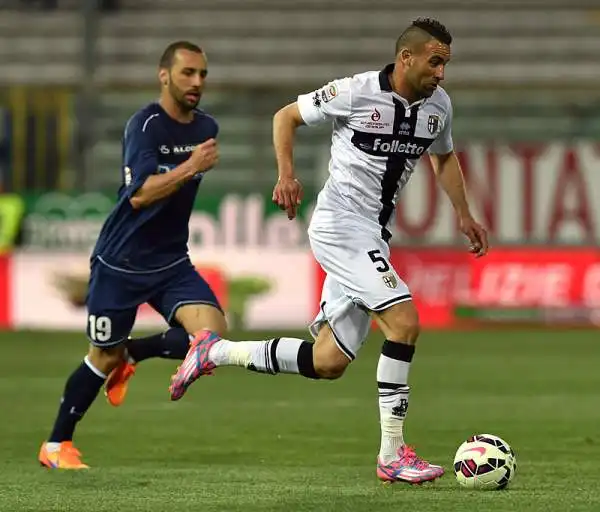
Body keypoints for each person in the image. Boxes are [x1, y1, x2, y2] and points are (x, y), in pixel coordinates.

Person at [169, 18, 489, 484]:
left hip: (374, 234)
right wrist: (286, 174)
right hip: (341, 226)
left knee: (328, 362)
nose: (441, 73)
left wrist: (463, 213)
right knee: (404, 322)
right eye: (435, 61)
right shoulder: (356, 92)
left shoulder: (439, 107)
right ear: (407, 58)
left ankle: (214, 352)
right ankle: (393, 454)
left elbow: (442, 156)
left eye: (446, 64)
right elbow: (286, 116)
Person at [38, 41, 227, 469]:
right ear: (164, 76)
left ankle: (133, 354)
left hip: (171, 261)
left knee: (211, 337)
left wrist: (192, 162)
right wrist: (191, 166)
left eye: (202, 75)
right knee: (100, 357)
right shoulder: (145, 126)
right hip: (120, 262)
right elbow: (140, 196)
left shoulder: (206, 127)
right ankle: (54, 446)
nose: (197, 82)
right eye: (188, 73)